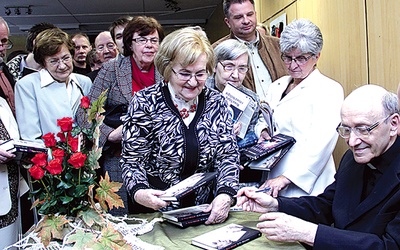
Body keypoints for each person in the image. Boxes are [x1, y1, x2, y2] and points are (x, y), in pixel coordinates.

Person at [236, 84, 400, 249]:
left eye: (363, 130)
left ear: (393, 124)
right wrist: (275, 204)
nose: (352, 141)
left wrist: (308, 233)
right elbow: (327, 205)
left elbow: (389, 246)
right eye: (346, 130)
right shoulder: (352, 159)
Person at [120, 27, 240, 225]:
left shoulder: (216, 102)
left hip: (204, 211)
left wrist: (225, 195)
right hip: (155, 213)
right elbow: (132, 162)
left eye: (200, 74)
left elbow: (228, 156)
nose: (193, 82)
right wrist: (140, 192)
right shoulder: (145, 102)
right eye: (184, 74)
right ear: (168, 69)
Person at [76, 16, 164, 215]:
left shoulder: (166, 70)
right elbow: (83, 115)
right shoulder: (112, 69)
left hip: (158, 162)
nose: (149, 45)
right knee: (121, 223)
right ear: (129, 44)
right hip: (119, 158)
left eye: (154, 40)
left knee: (159, 221)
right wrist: (108, 134)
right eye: (142, 40)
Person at [260, 19, 344, 197]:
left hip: (307, 182)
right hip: (273, 174)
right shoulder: (276, 86)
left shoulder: (329, 89)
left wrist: (285, 178)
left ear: (317, 56)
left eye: (301, 58)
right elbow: (263, 117)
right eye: (288, 58)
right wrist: (262, 130)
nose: (293, 65)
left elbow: (320, 144)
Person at [206, 39, 269, 184]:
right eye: (229, 67)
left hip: (236, 170)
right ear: (215, 66)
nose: (236, 75)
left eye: (242, 68)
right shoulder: (199, 92)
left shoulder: (251, 98)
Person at [15, 28, 92, 141]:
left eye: (66, 58)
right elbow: (31, 137)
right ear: (43, 63)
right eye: (54, 61)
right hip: (49, 156)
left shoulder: (84, 82)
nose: (62, 66)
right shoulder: (27, 86)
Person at [213, 0, 287, 101]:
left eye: (249, 14)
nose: (246, 20)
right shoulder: (216, 51)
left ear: (255, 14)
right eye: (238, 17)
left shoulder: (279, 46)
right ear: (228, 22)